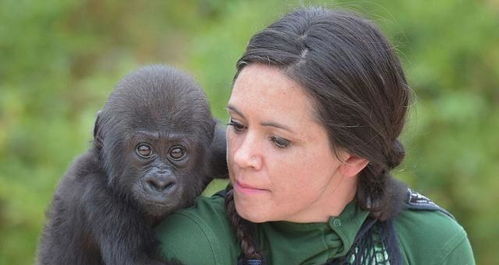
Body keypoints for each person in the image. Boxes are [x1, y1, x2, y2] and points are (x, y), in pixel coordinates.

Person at [155, 7, 475, 265]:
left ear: (353, 156)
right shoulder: (190, 244)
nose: (241, 156)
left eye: (279, 140)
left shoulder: (430, 244)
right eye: (238, 125)